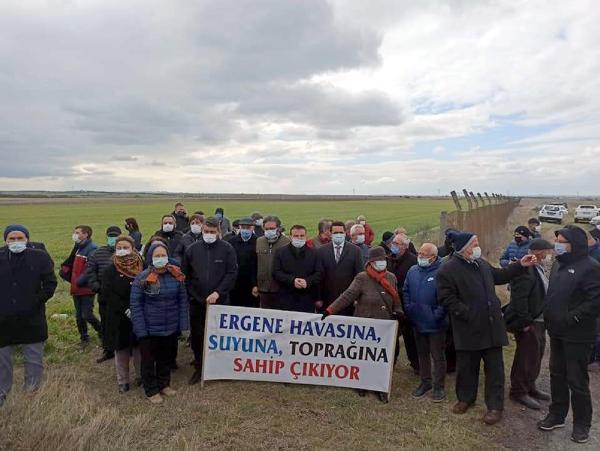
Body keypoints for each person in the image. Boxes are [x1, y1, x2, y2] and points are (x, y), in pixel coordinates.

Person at [437, 230, 536, 425]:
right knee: (467, 367)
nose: (477, 247)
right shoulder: (447, 270)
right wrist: (468, 314)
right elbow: (446, 299)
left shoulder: (481, 263)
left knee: (495, 369)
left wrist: (519, 265)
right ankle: (465, 399)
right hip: (468, 328)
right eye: (474, 244)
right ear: (464, 249)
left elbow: (499, 275)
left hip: (492, 328)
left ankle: (494, 407)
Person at [538, 225, 600, 444]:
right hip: (556, 332)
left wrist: (572, 317)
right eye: (558, 240)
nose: (558, 245)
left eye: (562, 241)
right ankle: (557, 414)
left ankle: (582, 424)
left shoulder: (591, 267)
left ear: (575, 244)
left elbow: (595, 301)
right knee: (557, 374)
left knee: (577, 379)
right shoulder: (558, 264)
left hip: (578, 335)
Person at [322, 246, 402, 403]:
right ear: (371, 263)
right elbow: (347, 296)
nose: (381, 263)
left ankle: (380, 387)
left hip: (384, 324)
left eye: (383, 260)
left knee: (382, 357)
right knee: (365, 355)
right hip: (365, 324)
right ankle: (362, 383)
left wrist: (399, 310)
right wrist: (330, 310)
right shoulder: (362, 278)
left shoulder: (391, 277)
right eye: (378, 260)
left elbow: (396, 297)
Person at [0, 225, 57, 407]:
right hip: (3, 318)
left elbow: (50, 283)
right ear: (5, 241)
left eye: (20, 238)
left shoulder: (39, 257)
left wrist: (35, 301)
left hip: (31, 317)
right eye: (12, 239)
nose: (16, 242)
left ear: (27, 239)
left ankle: (32, 393)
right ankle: (2, 392)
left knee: (33, 357)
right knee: (2, 359)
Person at [182, 217, 238, 385]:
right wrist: (195, 296)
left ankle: (219, 367)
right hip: (197, 302)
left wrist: (218, 292)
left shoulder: (227, 249)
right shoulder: (192, 250)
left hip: (220, 301)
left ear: (218, 232)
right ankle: (200, 367)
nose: (209, 235)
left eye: (212, 232)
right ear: (202, 230)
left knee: (219, 335)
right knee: (198, 337)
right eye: (206, 231)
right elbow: (186, 276)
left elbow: (231, 273)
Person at [130, 243, 188, 404]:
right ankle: (151, 389)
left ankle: (164, 384)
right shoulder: (142, 278)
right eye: (157, 256)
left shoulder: (176, 276)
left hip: (170, 326)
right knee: (148, 361)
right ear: (150, 258)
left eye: (163, 256)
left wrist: (183, 325)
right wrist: (141, 329)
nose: (160, 259)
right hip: (149, 328)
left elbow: (182, 301)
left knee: (165, 358)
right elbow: (136, 305)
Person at [504, 239, 554, 410]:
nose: (550, 255)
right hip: (530, 322)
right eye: (548, 251)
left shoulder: (538, 267)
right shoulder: (526, 269)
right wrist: (525, 323)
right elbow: (519, 300)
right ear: (539, 252)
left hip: (540, 321)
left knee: (536, 355)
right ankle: (518, 391)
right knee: (525, 357)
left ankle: (530, 386)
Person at [403, 243, 447, 402]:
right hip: (417, 320)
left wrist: (436, 316)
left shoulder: (442, 272)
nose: (420, 256)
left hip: (436, 324)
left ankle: (439, 386)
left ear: (433, 257)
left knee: (437, 355)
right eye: (419, 253)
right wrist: (409, 308)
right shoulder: (413, 270)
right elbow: (406, 291)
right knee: (422, 354)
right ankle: (425, 381)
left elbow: (445, 298)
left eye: (424, 254)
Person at [101, 236, 143, 393]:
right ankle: (123, 380)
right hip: (118, 316)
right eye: (119, 247)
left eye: (126, 247)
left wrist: (136, 308)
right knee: (121, 349)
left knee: (140, 347)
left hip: (139, 313)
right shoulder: (110, 269)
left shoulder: (142, 265)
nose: (122, 250)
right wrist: (125, 308)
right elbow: (106, 294)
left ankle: (141, 376)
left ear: (133, 248)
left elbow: (147, 286)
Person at [60, 225, 102, 346]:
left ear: (86, 234)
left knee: (87, 314)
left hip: (86, 288)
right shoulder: (78, 248)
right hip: (76, 287)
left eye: (78, 232)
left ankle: (101, 330)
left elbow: (91, 268)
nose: (75, 235)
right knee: (79, 316)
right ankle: (84, 338)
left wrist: (79, 281)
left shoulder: (92, 248)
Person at [86, 225, 122, 363]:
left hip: (123, 296)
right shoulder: (97, 253)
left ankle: (125, 348)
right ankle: (108, 350)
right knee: (106, 324)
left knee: (123, 323)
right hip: (104, 296)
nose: (113, 239)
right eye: (110, 236)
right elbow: (90, 272)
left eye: (115, 236)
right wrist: (96, 287)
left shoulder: (128, 252)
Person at [387, 232, 419, 372]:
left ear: (405, 246)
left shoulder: (413, 261)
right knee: (391, 335)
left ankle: (416, 364)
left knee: (410, 336)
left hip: (406, 304)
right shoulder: (388, 260)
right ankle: (391, 362)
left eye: (397, 244)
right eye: (393, 243)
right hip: (391, 304)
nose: (393, 246)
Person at [317, 221, 363, 315]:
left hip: (348, 300)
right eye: (335, 233)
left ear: (345, 233)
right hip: (327, 300)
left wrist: (357, 298)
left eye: (341, 232)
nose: (338, 235)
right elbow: (319, 276)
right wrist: (318, 298)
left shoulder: (355, 251)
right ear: (330, 234)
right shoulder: (321, 251)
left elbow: (359, 276)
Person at [273, 224, 322, 313]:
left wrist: (307, 281)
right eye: (296, 236)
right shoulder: (280, 253)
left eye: (302, 236)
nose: (299, 238)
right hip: (286, 299)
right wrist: (292, 280)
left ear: (306, 237)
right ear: (290, 237)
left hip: (307, 299)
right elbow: (276, 272)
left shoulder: (315, 253)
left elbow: (319, 273)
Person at [256, 215, 290, 309]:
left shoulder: (287, 242)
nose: (269, 231)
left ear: (278, 228)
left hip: (280, 289)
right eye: (267, 229)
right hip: (263, 289)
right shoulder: (259, 241)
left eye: (272, 228)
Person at [229, 217, 258, 307]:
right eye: (243, 227)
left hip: (251, 283)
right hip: (235, 283)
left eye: (248, 227)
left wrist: (256, 284)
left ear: (253, 228)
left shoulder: (258, 242)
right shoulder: (231, 242)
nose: (245, 230)